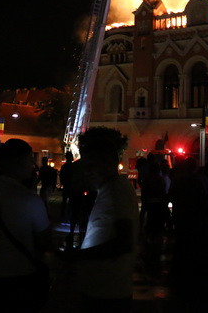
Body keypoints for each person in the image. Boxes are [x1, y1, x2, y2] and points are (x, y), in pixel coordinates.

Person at [0, 139, 51, 313]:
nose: (33, 166)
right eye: (30, 160)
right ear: (19, 162)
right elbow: (44, 241)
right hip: (18, 274)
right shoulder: (30, 200)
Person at [74, 127, 138, 313]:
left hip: (107, 292)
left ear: (107, 163)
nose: (87, 172)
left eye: (91, 165)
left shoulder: (115, 191)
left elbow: (123, 242)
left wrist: (78, 255)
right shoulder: (110, 189)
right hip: (104, 288)